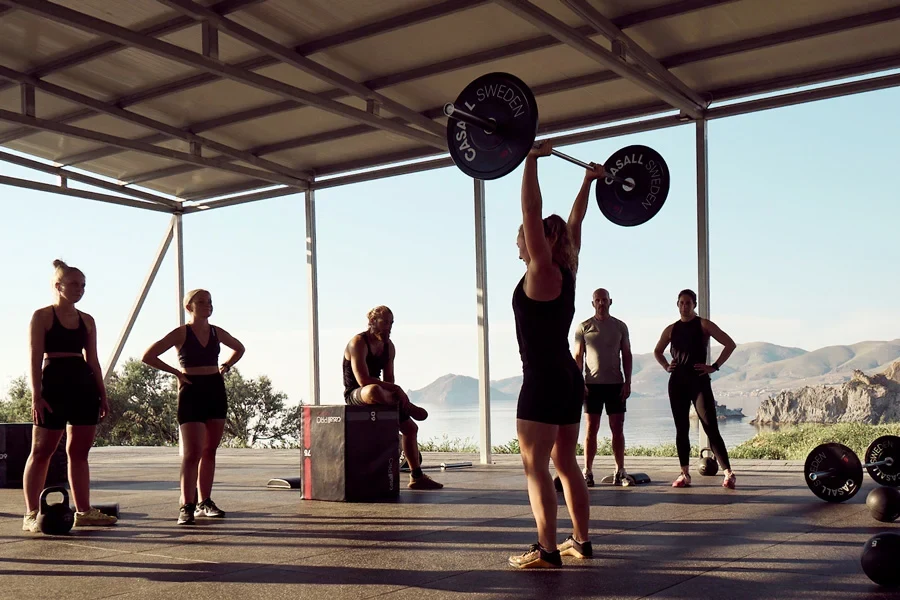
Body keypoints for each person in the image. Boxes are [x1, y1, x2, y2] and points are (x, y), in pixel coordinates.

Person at [508, 141, 604, 569]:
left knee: (535, 468)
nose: (519, 247)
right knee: (566, 463)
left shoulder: (542, 270)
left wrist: (529, 161)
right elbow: (576, 220)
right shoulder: (569, 270)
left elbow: (532, 213)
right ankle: (580, 541)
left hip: (543, 379)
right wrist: (587, 181)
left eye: (523, 242)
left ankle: (547, 550)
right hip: (568, 378)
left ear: (542, 240)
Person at [22, 259, 118, 533]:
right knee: (41, 451)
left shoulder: (87, 320)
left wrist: (102, 393)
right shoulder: (42, 316)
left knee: (79, 452)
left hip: (82, 384)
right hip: (53, 382)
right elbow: (34, 357)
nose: (80, 289)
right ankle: (31, 513)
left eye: (83, 285)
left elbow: (94, 361)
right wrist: (36, 396)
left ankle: (84, 510)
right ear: (58, 285)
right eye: (74, 284)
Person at [142, 288, 245, 525]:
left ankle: (204, 501)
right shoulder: (181, 333)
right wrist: (176, 373)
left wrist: (226, 366)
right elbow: (148, 356)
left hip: (215, 389)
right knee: (192, 453)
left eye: (210, 301)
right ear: (189, 306)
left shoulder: (217, 332)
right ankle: (186, 505)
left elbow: (240, 348)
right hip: (191, 389)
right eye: (202, 301)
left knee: (210, 449)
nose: (208, 305)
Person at [343, 305, 442, 490]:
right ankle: (407, 406)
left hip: (383, 396)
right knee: (373, 390)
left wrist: (395, 392)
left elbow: (389, 379)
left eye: (391, 323)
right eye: (385, 322)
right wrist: (398, 391)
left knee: (411, 428)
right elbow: (362, 380)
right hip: (357, 393)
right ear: (372, 322)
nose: (389, 327)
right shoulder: (358, 342)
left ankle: (417, 476)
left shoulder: (389, 347)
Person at [653, 289, 737, 489]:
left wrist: (714, 366)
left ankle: (728, 473)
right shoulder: (671, 329)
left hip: (699, 381)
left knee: (710, 427)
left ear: (694, 304)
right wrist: (666, 366)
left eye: (688, 303)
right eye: (681, 303)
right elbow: (657, 351)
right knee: (681, 429)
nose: (684, 306)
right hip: (677, 383)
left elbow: (729, 344)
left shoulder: (703, 324)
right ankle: (684, 474)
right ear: (677, 304)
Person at [573, 287, 632, 487]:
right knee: (591, 428)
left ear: (610, 301)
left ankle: (620, 470)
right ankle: (587, 471)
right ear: (593, 303)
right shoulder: (584, 327)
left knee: (618, 428)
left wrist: (628, 381)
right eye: (597, 300)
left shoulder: (620, 327)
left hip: (616, 383)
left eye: (604, 299)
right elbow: (578, 357)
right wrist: (579, 383)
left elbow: (627, 355)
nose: (601, 303)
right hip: (592, 386)